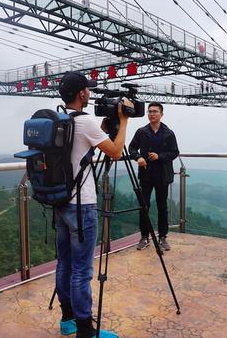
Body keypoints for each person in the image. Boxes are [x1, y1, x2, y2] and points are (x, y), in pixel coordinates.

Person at [55, 71, 132, 338]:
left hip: (61, 203)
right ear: (81, 94)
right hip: (82, 205)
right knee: (82, 271)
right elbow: (116, 152)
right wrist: (123, 123)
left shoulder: (60, 118)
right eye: (87, 89)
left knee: (64, 263)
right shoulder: (86, 122)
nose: (89, 93)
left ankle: (67, 320)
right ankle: (86, 332)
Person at [129, 103, 179, 252]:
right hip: (146, 175)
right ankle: (144, 237)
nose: (152, 114)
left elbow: (174, 152)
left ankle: (163, 237)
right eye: (149, 111)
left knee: (162, 207)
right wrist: (138, 157)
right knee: (143, 207)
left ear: (161, 114)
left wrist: (160, 156)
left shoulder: (168, 133)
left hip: (162, 175)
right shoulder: (141, 132)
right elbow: (132, 147)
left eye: (155, 112)